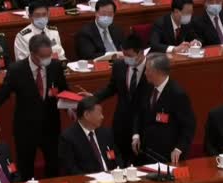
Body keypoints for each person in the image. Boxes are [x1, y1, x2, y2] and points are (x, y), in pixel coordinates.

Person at [0, 34, 69, 181]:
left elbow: (63, 91)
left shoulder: (55, 66)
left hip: (51, 126)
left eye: (49, 55)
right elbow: (4, 91)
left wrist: (69, 107)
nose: (47, 59)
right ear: (32, 54)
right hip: (26, 129)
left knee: (53, 166)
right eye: (43, 56)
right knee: (26, 169)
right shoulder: (17, 69)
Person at [80, 34, 152, 166]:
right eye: (124, 54)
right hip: (121, 122)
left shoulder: (152, 68)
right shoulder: (119, 66)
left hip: (143, 124)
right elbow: (112, 88)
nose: (126, 58)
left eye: (129, 55)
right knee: (120, 162)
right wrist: (94, 97)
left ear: (141, 53)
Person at [132, 53, 196, 164]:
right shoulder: (146, 87)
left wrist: (179, 148)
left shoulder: (177, 94)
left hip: (166, 156)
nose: (145, 73)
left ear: (159, 72)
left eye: (148, 70)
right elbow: (139, 112)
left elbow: (189, 125)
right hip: (144, 153)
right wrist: (136, 134)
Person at [59, 97, 123, 175]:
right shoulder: (68, 138)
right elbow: (70, 169)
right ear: (86, 115)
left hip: (113, 179)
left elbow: (116, 156)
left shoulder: (106, 133)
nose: (102, 117)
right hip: (87, 182)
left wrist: (119, 172)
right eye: (99, 113)